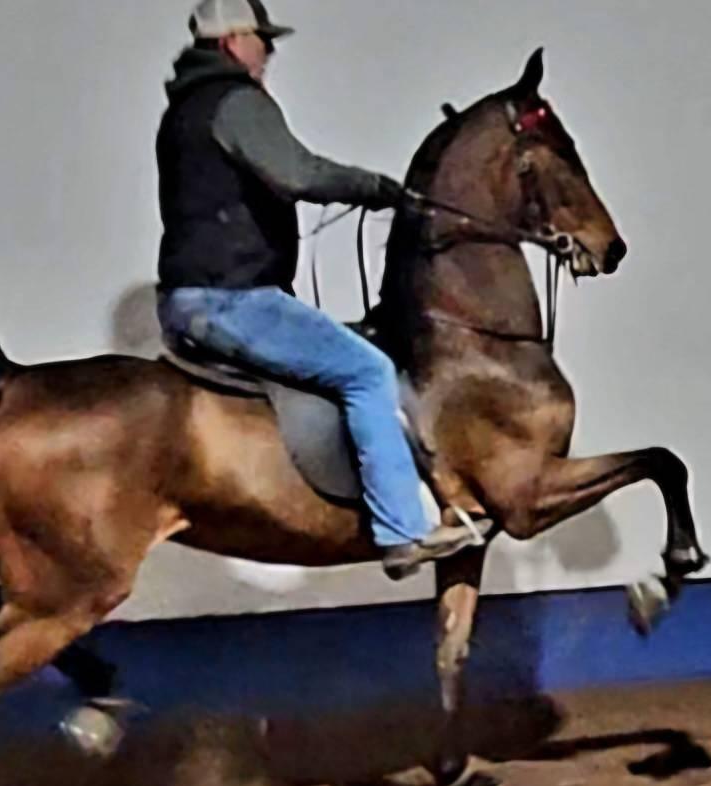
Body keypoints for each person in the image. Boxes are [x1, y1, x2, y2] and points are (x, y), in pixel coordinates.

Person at [156, 0, 490, 579]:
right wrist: (376, 188)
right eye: (263, 40)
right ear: (234, 42)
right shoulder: (237, 101)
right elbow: (298, 173)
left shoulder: (183, 109)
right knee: (367, 371)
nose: (270, 52)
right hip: (234, 298)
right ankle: (402, 532)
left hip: (192, 297)